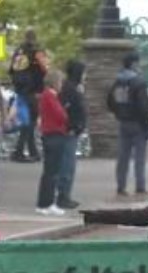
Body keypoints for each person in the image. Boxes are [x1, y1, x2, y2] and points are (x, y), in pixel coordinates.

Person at [107, 52, 148, 197]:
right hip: (138, 123)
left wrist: (118, 113)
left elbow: (110, 101)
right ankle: (140, 186)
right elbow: (143, 107)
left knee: (123, 157)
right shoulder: (139, 82)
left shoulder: (118, 81)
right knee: (139, 158)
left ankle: (121, 186)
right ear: (134, 64)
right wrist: (146, 125)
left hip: (123, 122)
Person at [8, 28, 48, 162]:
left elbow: (11, 70)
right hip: (34, 92)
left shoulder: (18, 52)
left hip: (20, 91)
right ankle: (20, 152)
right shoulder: (37, 52)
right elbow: (45, 69)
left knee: (28, 122)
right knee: (29, 122)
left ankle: (32, 152)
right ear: (34, 37)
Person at [35, 69, 68, 216]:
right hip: (54, 135)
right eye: (60, 82)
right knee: (52, 172)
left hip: (50, 135)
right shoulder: (49, 96)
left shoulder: (47, 96)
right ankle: (47, 203)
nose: (61, 85)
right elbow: (61, 115)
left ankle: (45, 203)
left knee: (49, 171)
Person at [58, 59, 87, 209]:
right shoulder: (69, 89)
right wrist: (72, 126)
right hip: (68, 132)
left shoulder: (74, 88)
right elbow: (65, 110)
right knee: (67, 165)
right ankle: (63, 196)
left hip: (73, 130)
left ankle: (65, 195)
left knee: (69, 165)